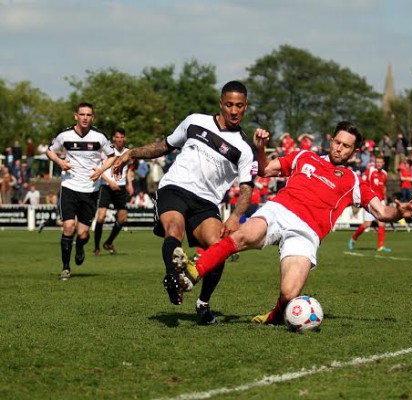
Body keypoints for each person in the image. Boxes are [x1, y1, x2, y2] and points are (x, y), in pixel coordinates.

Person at [174, 121, 412, 325]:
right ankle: (192, 274)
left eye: (346, 146)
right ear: (330, 140)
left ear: (354, 152)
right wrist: (260, 149)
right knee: (242, 236)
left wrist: (399, 212)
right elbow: (264, 170)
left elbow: (381, 212)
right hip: (280, 210)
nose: (339, 149)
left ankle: (274, 317)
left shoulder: (354, 182)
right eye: (337, 142)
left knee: (289, 293)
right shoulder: (305, 157)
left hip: (308, 232)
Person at [112, 81, 257, 325]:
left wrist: (234, 216)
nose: (234, 111)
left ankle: (203, 304)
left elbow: (246, 189)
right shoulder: (194, 121)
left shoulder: (244, 148)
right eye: (229, 105)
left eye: (239, 106)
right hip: (174, 188)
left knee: (218, 248)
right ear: (221, 104)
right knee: (174, 231)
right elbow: (165, 146)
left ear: (245, 107)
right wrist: (132, 152)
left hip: (206, 202)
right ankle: (173, 278)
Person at [46, 102, 116, 281]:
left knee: (83, 233)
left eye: (88, 115)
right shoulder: (65, 135)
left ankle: (79, 246)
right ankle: (66, 268)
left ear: (93, 117)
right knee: (68, 226)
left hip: (90, 190)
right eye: (82, 114)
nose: (85, 118)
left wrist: (100, 171)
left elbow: (111, 156)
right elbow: (50, 152)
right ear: (75, 116)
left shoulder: (99, 137)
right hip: (69, 187)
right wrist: (61, 162)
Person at [93, 128, 134, 256]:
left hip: (121, 188)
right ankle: (96, 247)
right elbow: (98, 169)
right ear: (113, 138)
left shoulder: (128, 152)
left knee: (122, 218)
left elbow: (128, 169)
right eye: (118, 137)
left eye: (122, 137)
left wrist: (130, 183)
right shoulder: (107, 151)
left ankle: (109, 242)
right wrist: (110, 182)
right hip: (106, 186)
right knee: (101, 216)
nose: (120, 139)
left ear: (125, 138)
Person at [348, 156, 392, 252]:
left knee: (382, 223)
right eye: (377, 161)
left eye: (380, 162)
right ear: (375, 162)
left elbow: (384, 187)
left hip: (380, 201)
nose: (379, 163)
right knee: (367, 224)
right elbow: (362, 183)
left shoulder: (385, 174)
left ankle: (381, 246)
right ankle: (353, 238)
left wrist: (385, 199)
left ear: (383, 163)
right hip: (370, 200)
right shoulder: (370, 171)